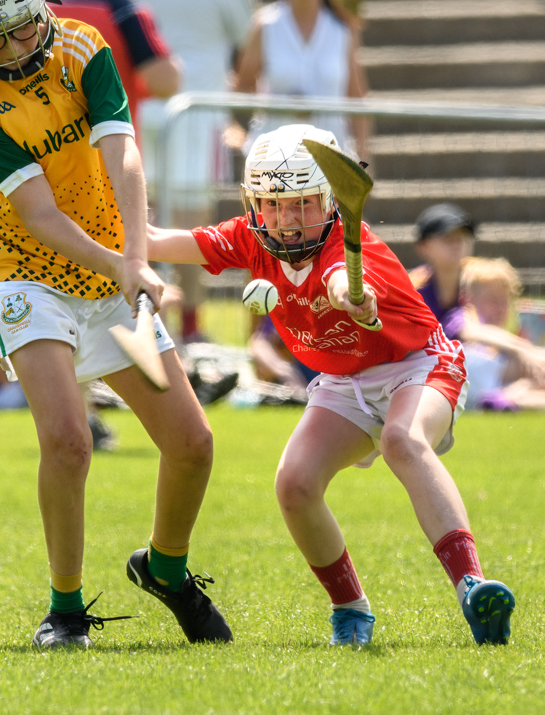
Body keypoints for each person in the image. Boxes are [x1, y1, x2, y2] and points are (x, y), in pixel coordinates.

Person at [0, 0, 231, 649]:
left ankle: (165, 569)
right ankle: (65, 609)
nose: (12, 49)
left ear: (41, 6)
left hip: (109, 279)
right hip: (24, 277)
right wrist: (120, 264)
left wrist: (133, 258)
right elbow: (40, 214)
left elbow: (122, 153)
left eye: (20, 28)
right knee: (69, 440)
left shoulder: (83, 47)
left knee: (193, 443)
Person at [147, 123, 515, 647]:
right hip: (343, 380)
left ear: (330, 201)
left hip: (417, 364)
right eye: (274, 205)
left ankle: (472, 587)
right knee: (294, 484)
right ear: (255, 203)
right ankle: (350, 610)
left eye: (302, 203)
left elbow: (343, 276)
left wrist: (350, 296)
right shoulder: (250, 239)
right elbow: (163, 242)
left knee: (402, 442)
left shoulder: (353, 243)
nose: (287, 220)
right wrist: (92, 227)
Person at [134, 0, 257, 341]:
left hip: (148, 107)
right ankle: (187, 328)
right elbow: (249, 42)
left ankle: (154, 322)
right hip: (196, 110)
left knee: (146, 214)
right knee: (188, 221)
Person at [235, 0, 370, 161]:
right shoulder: (266, 24)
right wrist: (279, 106)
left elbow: (357, 98)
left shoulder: (342, 29)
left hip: (330, 159)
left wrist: (364, 162)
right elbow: (242, 88)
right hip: (275, 160)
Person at [50, 0, 180, 142]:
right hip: (108, 159)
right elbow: (166, 83)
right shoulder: (125, 13)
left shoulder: (38, 6)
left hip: (44, 156)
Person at [442, 257, 545, 411]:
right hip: (456, 374)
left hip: (483, 386)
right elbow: (472, 332)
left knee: (534, 378)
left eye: (505, 301)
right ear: (467, 299)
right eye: (492, 300)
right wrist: (520, 350)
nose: (500, 308)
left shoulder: (500, 334)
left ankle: (503, 400)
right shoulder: (463, 314)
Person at [409, 203, 477, 327]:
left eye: (462, 236)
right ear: (423, 247)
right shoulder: (412, 290)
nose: (457, 243)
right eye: (447, 238)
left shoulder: (487, 282)